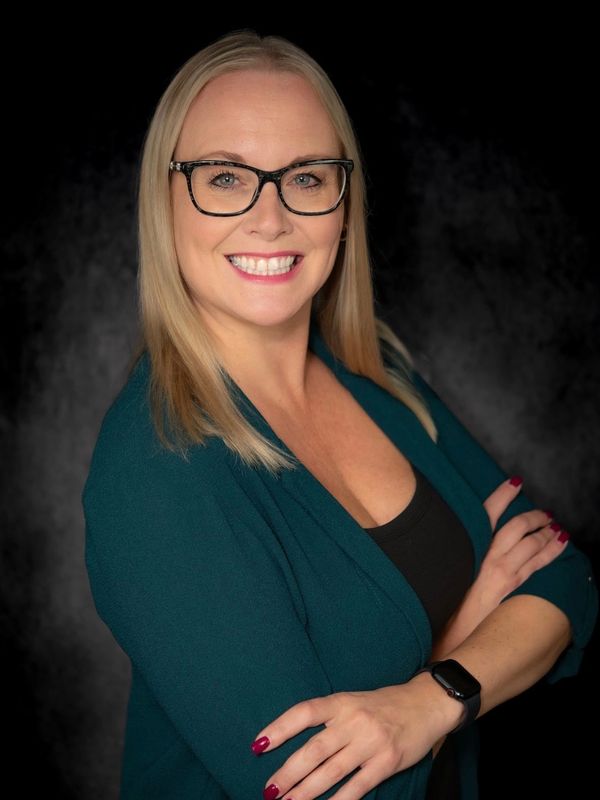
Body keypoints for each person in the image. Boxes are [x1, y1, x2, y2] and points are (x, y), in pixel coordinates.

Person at [82, 29, 598, 800]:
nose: (270, 218)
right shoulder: (153, 469)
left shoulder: (380, 376)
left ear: (345, 204)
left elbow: (565, 583)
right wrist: (461, 649)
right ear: (163, 200)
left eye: (307, 176)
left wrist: (427, 700)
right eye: (225, 178)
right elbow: (325, 789)